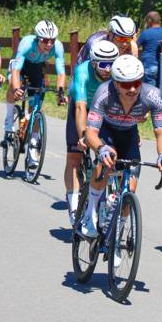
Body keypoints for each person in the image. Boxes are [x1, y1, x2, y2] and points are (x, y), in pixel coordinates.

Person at [78, 55, 162, 269]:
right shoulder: (104, 93)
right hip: (106, 132)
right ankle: (90, 212)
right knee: (106, 160)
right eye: (126, 84)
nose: (132, 89)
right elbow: (90, 133)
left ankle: (116, 239)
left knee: (129, 192)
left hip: (129, 135)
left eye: (137, 83)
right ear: (115, 83)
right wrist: (100, 148)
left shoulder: (152, 95)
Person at [64, 39, 119, 226]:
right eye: (103, 65)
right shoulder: (82, 71)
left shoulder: (116, 73)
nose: (108, 70)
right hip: (83, 106)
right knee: (74, 157)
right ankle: (74, 204)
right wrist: (83, 137)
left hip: (103, 110)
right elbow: (80, 108)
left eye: (111, 64)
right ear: (94, 63)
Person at [1, 19, 67, 169]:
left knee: (36, 108)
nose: (49, 44)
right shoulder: (27, 44)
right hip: (20, 65)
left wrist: (60, 92)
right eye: (45, 40)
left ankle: (33, 144)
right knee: (13, 85)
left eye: (52, 40)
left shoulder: (57, 46)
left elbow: (61, 73)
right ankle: (9, 119)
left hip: (36, 68)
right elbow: (16, 71)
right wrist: (17, 88)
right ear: (38, 38)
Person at [137, 11, 162, 88]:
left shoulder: (145, 33)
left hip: (149, 65)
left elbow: (136, 46)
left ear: (149, 20)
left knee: (150, 91)